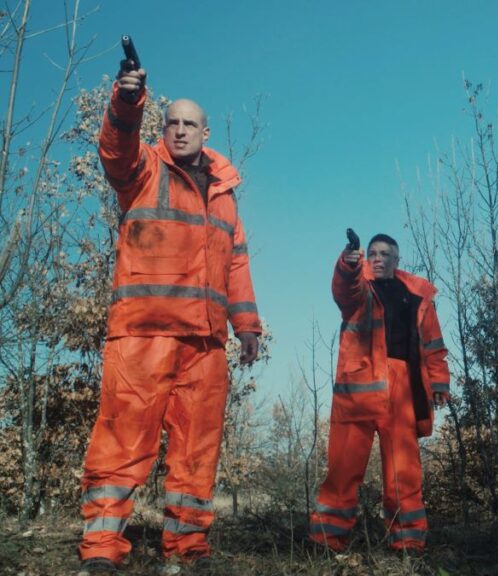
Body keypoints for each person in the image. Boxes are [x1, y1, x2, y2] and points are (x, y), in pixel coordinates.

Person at [77, 63, 262, 575]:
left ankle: (188, 545)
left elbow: (237, 263)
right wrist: (126, 102)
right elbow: (115, 151)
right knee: (121, 441)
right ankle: (102, 547)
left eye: (189, 124)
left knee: (198, 451)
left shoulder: (224, 193)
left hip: (205, 341)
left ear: (205, 133)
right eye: (172, 123)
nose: (179, 131)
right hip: (144, 333)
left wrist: (247, 326)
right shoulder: (144, 170)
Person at [309, 233, 450, 551]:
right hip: (357, 391)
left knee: (404, 472)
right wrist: (347, 264)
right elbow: (344, 290)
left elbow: (433, 345)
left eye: (385, 254)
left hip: (402, 390)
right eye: (372, 253)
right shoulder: (360, 287)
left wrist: (439, 382)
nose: (378, 258)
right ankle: (326, 540)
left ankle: (408, 542)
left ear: (396, 260)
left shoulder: (417, 295)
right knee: (343, 469)